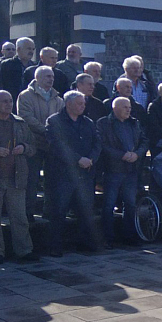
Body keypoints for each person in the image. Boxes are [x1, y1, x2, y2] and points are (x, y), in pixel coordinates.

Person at [0, 91, 37, 264]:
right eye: (4, 101)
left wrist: (23, 147)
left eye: (10, 101)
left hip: (16, 177)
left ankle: (24, 250)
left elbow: (33, 147)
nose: (9, 104)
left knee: (19, 218)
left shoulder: (20, 123)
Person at [45, 91, 102, 256]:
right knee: (59, 211)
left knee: (85, 210)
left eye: (84, 103)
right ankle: (55, 246)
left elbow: (97, 142)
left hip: (85, 173)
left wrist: (91, 158)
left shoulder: (89, 122)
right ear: (68, 104)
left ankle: (84, 243)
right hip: (64, 174)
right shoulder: (54, 121)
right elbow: (57, 146)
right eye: (79, 103)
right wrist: (78, 159)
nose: (83, 106)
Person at [97, 97, 148, 248]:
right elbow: (102, 145)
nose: (128, 109)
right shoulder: (104, 123)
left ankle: (129, 236)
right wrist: (121, 155)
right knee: (109, 204)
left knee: (130, 204)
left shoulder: (134, 123)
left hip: (131, 170)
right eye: (125, 107)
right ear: (115, 108)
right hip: (113, 169)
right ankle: (108, 238)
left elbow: (144, 141)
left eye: (129, 107)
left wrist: (137, 154)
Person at [17, 65, 65, 223]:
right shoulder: (25, 96)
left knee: (52, 180)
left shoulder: (58, 99)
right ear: (37, 78)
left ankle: (49, 211)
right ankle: (28, 211)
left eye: (52, 76)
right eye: (47, 76)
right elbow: (25, 117)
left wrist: (54, 133)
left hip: (52, 146)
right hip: (34, 144)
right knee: (32, 180)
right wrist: (46, 130)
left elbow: (62, 119)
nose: (51, 79)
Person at [0, 37, 35, 103]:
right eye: (28, 48)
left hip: (29, 102)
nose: (31, 51)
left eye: (33, 49)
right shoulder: (6, 64)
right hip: (10, 101)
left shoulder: (34, 67)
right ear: (18, 49)